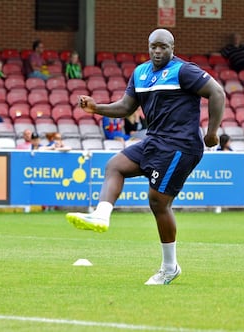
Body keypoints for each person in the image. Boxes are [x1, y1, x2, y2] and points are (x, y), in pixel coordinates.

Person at [66, 29, 225, 285]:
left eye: (163, 47)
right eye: (153, 47)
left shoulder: (184, 71)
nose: (157, 51)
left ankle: (170, 267)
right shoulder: (140, 73)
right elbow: (126, 107)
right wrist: (97, 108)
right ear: (148, 46)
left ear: (172, 47)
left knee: (158, 202)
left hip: (181, 145)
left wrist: (212, 132)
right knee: (115, 166)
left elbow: (217, 92)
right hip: (154, 141)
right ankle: (101, 215)